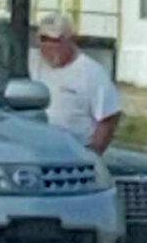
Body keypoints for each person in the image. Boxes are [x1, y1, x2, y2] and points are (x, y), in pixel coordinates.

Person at [29, 12, 122, 154]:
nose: (49, 45)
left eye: (55, 40)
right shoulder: (30, 62)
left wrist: (93, 154)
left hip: (72, 153)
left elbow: (109, 117)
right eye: (44, 39)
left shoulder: (92, 72)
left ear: (71, 40)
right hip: (34, 149)